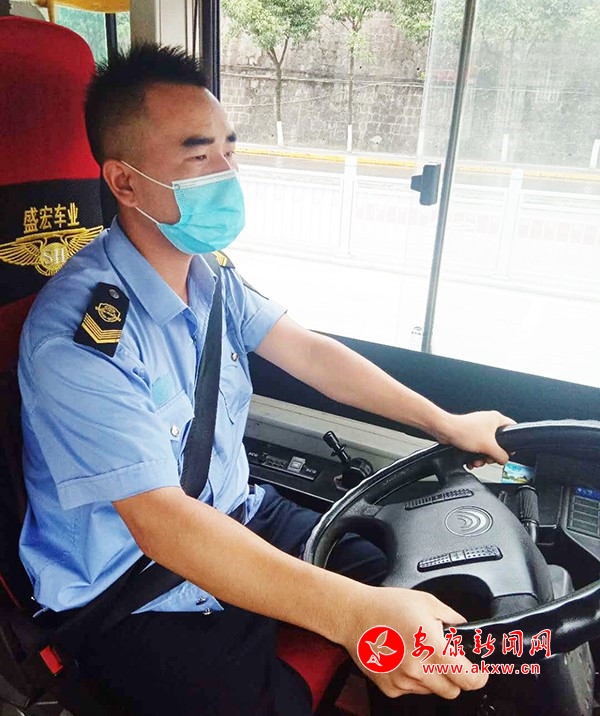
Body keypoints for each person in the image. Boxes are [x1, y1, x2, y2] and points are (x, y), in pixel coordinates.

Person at [18, 44, 514, 716]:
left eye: (230, 149)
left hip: (241, 515)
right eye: (199, 156)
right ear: (125, 183)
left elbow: (309, 353)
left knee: (423, 590)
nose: (227, 173)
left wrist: (447, 423)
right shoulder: (78, 340)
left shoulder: (210, 274)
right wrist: (353, 613)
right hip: (134, 591)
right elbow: (163, 525)